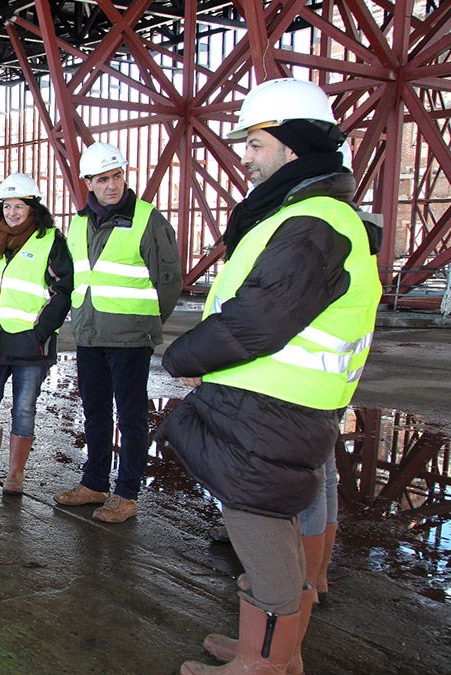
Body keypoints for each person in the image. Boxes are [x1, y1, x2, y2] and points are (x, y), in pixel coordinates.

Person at [161, 78, 382, 674]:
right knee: (267, 525)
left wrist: (181, 358)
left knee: (259, 529)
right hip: (272, 399)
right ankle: (269, 649)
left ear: (290, 146)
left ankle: (266, 665)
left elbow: (254, 322)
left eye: (255, 143)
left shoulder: (313, 222)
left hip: (274, 402)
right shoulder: (308, 214)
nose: (246, 155)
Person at [53, 141, 182, 524]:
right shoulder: (78, 223)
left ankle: (126, 492)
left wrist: (147, 322)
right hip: (90, 335)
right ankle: (93, 483)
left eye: (118, 176)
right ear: (88, 183)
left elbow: (169, 280)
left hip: (130, 337)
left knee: (130, 416)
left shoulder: (147, 219)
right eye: (103, 179)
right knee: (94, 412)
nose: (112, 185)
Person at [0, 173, 73, 495]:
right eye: (7, 205)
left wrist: (41, 333)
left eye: (20, 206)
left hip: (29, 344)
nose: (13, 212)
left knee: (23, 409)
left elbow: (61, 292)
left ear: (33, 207)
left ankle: (16, 473)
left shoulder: (50, 241)